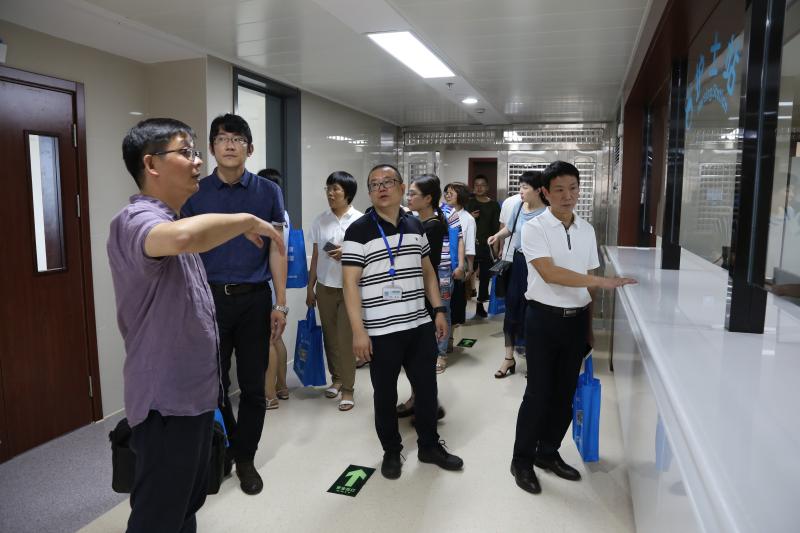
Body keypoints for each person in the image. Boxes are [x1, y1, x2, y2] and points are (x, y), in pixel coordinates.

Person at [109, 118, 284, 531]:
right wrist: (247, 220)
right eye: (186, 152)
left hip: (193, 397)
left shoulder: (171, 217)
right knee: (159, 515)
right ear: (151, 164)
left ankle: (242, 457)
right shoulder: (135, 220)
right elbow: (183, 238)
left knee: (185, 506)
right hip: (166, 401)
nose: (197, 161)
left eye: (195, 152)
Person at [509, 161, 636, 495]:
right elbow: (550, 273)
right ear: (545, 192)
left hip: (576, 321)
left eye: (573, 188)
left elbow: (588, 283)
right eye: (559, 190)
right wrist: (603, 281)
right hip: (543, 319)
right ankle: (521, 460)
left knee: (565, 392)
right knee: (538, 393)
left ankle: (547, 452)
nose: (568, 196)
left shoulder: (587, 230)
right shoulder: (534, 228)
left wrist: (589, 328)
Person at [181, 114, 288, 496]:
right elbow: (185, 248)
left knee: (254, 386)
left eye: (238, 139)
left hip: (254, 300)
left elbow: (277, 248)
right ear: (211, 148)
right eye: (222, 138)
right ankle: (228, 445)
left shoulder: (267, 192)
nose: (230, 144)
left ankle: (245, 457)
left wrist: (281, 303)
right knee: (214, 384)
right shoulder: (194, 192)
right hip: (208, 299)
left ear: (250, 148)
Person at [342, 164, 464, 480]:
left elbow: (428, 272)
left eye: (388, 182)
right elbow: (349, 284)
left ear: (400, 187)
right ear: (370, 192)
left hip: (418, 324)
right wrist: (358, 331)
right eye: (374, 184)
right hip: (381, 330)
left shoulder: (414, 224)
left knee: (427, 390)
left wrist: (438, 310)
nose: (381, 188)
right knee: (385, 396)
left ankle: (429, 446)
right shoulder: (358, 230)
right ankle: (391, 451)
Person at [306, 171, 363, 411]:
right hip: (325, 287)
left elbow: (369, 256)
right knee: (330, 337)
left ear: (347, 193)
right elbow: (316, 256)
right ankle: (337, 379)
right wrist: (310, 288)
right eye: (328, 188)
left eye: (335, 189)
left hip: (351, 289)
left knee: (346, 339)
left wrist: (347, 253)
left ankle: (348, 389)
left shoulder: (361, 221)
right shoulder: (320, 220)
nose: (330, 193)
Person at [397, 174, 450, 417]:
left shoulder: (432, 226)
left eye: (413, 194)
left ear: (428, 199)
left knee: (421, 354)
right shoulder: (418, 222)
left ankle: (427, 403)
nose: (408, 198)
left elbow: (425, 264)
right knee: (413, 354)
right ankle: (419, 398)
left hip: (425, 294)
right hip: (414, 292)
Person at [487, 171, 547, 378]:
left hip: (538, 266)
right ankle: (508, 357)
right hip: (519, 263)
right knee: (512, 308)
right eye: (520, 186)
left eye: (525, 187)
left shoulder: (547, 213)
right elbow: (510, 229)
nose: (520, 191)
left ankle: (533, 358)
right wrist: (496, 236)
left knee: (533, 311)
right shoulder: (519, 207)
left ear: (538, 190)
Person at [258, 168, 291, 408]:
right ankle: (282, 386)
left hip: (266, 281)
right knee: (276, 337)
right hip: (277, 281)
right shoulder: (284, 215)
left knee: (268, 340)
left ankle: (269, 395)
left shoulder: (267, 217)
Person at [443, 181, 475, 359]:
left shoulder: (467, 218)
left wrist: (469, 269)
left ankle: (449, 338)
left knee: (454, 305)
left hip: (458, 266)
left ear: (461, 196)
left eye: (451, 193)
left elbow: (469, 245)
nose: (447, 195)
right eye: (446, 192)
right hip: (443, 265)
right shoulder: (442, 213)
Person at [466, 175, 501, 318]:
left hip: (487, 245)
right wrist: (470, 217)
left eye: (482, 185)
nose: (479, 187)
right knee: (467, 274)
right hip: (470, 245)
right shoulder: (468, 203)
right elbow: (460, 222)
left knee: (485, 277)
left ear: (487, 187)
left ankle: (480, 305)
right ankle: (463, 302)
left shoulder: (494, 205)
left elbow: (497, 228)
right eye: (476, 185)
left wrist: (496, 248)